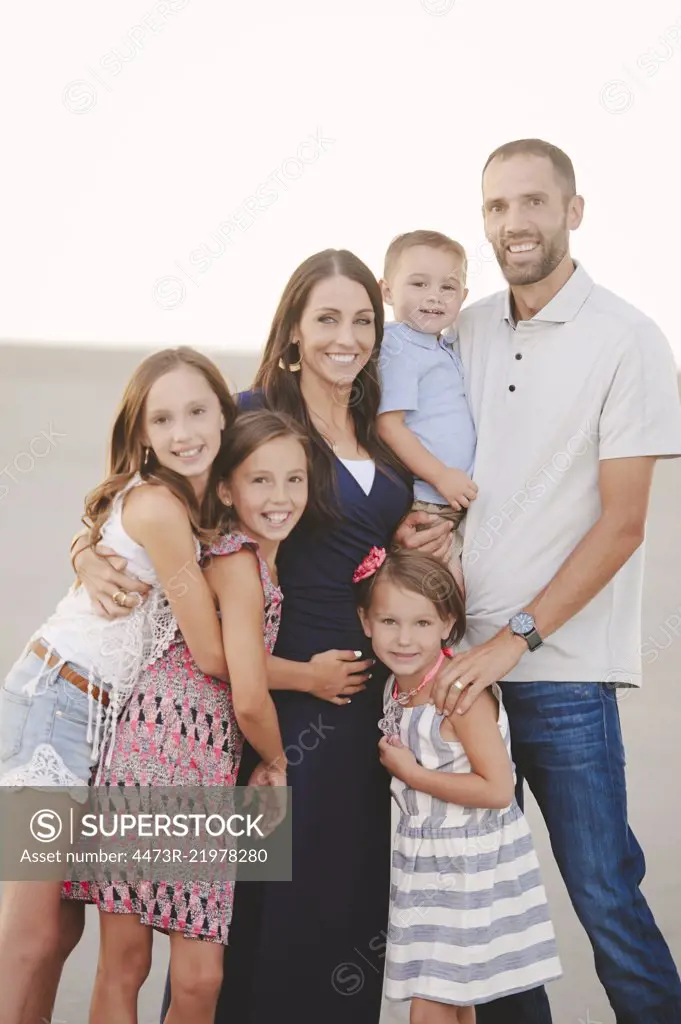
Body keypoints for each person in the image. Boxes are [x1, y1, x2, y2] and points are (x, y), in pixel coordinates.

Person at [73, 250, 416, 1024]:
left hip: (361, 701)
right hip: (265, 688)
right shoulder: (249, 412)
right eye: (326, 318)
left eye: (363, 320)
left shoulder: (383, 427)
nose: (347, 336)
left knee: (344, 889)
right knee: (248, 910)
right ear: (292, 329)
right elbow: (153, 483)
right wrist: (87, 552)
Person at [397, 139, 681, 1024]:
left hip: (556, 669)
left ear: (572, 211)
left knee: (602, 893)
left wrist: (510, 639)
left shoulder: (628, 339)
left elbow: (622, 523)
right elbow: (415, 439)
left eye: (530, 202)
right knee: (490, 907)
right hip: (455, 669)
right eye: (494, 207)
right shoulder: (463, 325)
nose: (512, 223)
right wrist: (425, 523)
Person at [0, 346, 237, 1024]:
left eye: (197, 411)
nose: (183, 432)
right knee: (33, 930)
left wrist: (81, 548)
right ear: (141, 435)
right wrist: (304, 674)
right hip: (53, 702)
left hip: (103, 718)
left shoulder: (192, 504)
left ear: (225, 412)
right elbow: (212, 654)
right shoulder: (161, 509)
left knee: (64, 928)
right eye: (162, 419)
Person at [66, 409, 309, 1024]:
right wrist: (277, 763)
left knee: (158, 972)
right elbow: (249, 693)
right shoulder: (236, 561)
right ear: (226, 489)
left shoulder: (244, 557)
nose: (280, 497)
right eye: (260, 480)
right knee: (169, 974)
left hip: (170, 757)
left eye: (295, 479)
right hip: (166, 758)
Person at [354, 547, 562, 1024]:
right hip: (424, 863)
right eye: (389, 622)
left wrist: (412, 775)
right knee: (453, 999)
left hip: (469, 867)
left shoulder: (459, 691)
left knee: (430, 1007)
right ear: (365, 621)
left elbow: (497, 790)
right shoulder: (397, 683)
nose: (404, 639)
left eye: (422, 624)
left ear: (448, 623)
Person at [377, 230, 478, 591]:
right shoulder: (399, 345)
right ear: (387, 291)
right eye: (418, 284)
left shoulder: (442, 346)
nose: (434, 296)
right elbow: (389, 426)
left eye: (448, 288)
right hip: (428, 499)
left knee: (454, 595)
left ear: (463, 297)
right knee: (431, 594)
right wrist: (441, 475)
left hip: (451, 499)